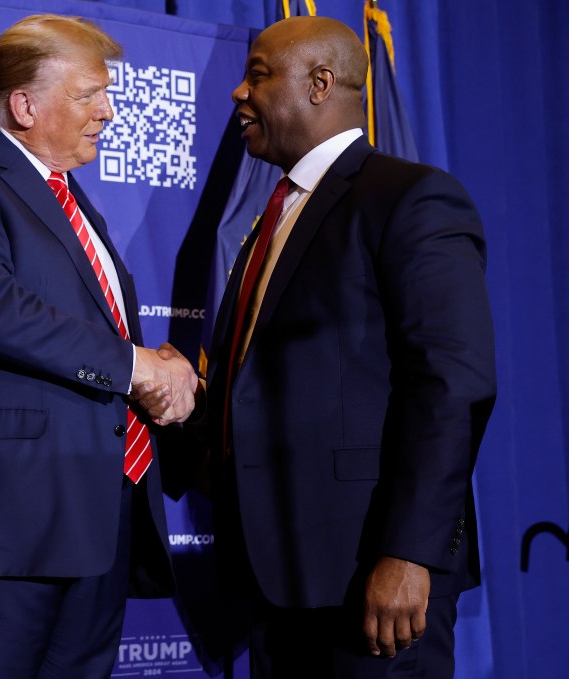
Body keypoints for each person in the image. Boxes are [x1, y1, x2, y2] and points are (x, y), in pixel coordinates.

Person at [139, 15, 496, 679]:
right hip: (276, 589)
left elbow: (451, 385)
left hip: (370, 583)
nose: (237, 94)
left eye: (259, 75)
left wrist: (409, 553)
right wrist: (185, 403)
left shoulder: (411, 199)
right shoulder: (267, 222)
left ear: (320, 84)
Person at [0, 14, 198, 679]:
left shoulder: (73, 200)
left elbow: (87, 326)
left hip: (91, 519)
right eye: (89, 94)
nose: (107, 112)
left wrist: (157, 373)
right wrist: (135, 365)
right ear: (24, 104)